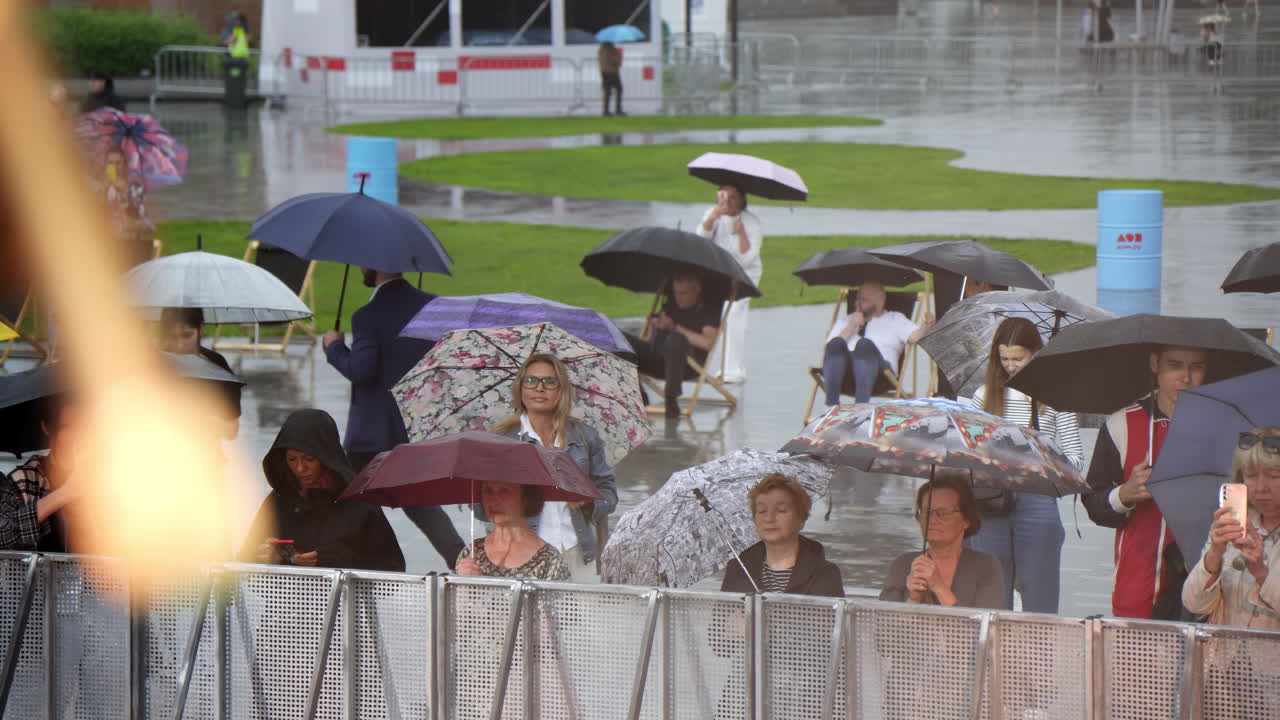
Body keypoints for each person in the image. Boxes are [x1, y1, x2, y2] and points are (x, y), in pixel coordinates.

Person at [322, 268, 464, 569]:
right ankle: (463, 563)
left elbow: (362, 371)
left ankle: (360, 573)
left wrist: (333, 347)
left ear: (376, 266)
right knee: (423, 507)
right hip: (415, 429)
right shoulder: (434, 308)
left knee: (352, 509)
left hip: (371, 436)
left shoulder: (368, 315)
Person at [963, 317, 1084, 613]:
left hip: (1038, 498)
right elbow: (968, 452)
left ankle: (1038, 654)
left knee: (1039, 594)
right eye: (1004, 358)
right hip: (991, 499)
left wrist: (1045, 455)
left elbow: (1077, 461)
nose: (1011, 366)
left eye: (1018, 358)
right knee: (992, 596)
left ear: (1035, 354)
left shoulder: (1055, 396)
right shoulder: (984, 395)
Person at [1082, 346, 1210, 619]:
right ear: (1155, 364)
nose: (1186, 377)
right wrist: (1125, 494)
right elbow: (1093, 504)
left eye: (1196, 367)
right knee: (1136, 661)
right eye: (1175, 365)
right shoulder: (1122, 423)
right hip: (1139, 582)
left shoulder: (1222, 426)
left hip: (1206, 583)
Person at [490, 353, 618, 581]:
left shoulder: (585, 437)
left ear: (561, 390)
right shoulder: (501, 443)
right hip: (523, 556)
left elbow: (609, 495)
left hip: (578, 553)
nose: (539, 388)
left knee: (581, 617)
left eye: (550, 381)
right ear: (520, 389)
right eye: (530, 381)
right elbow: (482, 507)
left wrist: (588, 501)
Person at [240, 408, 405, 572]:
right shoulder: (280, 498)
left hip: (346, 597)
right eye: (292, 459)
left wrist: (338, 560)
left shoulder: (359, 501)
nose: (300, 468)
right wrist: (265, 558)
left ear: (326, 456)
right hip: (287, 596)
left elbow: (392, 569)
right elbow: (243, 561)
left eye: (309, 459)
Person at [1183, 427, 1280, 629]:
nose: (1261, 487)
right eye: (1251, 476)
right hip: (1222, 658)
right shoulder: (1234, 523)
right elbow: (1194, 604)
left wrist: (1261, 574)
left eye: (1274, 476)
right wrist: (1214, 555)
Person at [880, 473, 1009, 609]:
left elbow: (986, 627)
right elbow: (884, 626)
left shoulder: (986, 566)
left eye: (943, 513)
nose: (933, 520)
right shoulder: (903, 565)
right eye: (927, 512)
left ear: (966, 520)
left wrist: (939, 587)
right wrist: (913, 599)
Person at [720, 473, 844, 597]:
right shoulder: (738, 570)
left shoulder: (825, 574)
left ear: (801, 518)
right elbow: (721, 614)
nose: (769, 519)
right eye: (762, 511)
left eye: (781, 510)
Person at [622, 272, 721, 418]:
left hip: (687, 365)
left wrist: (674, 327)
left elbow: (707, 343)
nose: (679, 297)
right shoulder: (670, 305)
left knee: (675, 339)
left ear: (697, 290)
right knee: (619, 338)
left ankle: (671, 399)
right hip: (657, 360)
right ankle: (638, 393)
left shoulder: (708, 310)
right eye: (676, 293)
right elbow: (649, 342)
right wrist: (653, 327)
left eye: (684, 293)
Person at [821, 280, 934, 406]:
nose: (858, 303)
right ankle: (831, 407)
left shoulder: (894, 319)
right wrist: (851, 325)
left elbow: (916, 337)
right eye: (857, 298)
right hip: (844, 376)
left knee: (864, 345)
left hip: (880, 376)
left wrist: (926, 325)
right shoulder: (846, 321)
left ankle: (860, 408)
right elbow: (829, 352)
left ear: (880, 301)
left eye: (864, 300)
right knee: (836, 343)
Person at [697, 184, 761, 383]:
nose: (728, 201)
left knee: (734, 313)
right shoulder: (713, 213)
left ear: (742, 199)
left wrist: (741, 233)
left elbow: (746, 257)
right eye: (724, 196)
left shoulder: (751, 222)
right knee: (717, 315)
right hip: (718, 272)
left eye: (733, 197)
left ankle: (734, 370)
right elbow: (700, 240)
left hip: (745, 274)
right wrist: (711, 218)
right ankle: (719, 366)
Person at [0, 400, 80, 551]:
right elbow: (2, 533)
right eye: (69, 427)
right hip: (40, 573)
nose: (78, 436)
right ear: (47, 427)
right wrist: (65, 493)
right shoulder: (24, 479)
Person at [457, 481, 570, 581]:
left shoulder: (549, 560)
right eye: (488, 490)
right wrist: (463, 585)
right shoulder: (471, 553)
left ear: (526, 498)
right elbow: (453, 604)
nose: (494, 500)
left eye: (504, 491)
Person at [159, 307, 242, 436]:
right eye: (173, 337)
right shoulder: (154, 364)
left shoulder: (216, 365)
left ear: (201, 328)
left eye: (187, 335)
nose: (179, 345)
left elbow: (231, 430)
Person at [597, 41, 624, 116]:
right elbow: (615, 61)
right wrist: (619, 55)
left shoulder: (601, 50)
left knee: (607, 92)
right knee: (619, 89)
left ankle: (606, 110)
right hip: (612, 72)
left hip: (604, 72)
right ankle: (618, 109)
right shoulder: (612, 50)